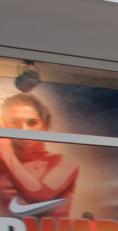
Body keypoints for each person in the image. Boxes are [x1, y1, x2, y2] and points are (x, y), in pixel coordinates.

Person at [0, 92, 79, 221]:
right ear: (4, 125)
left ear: (43, 124)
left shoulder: (63, 161)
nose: (24, 130)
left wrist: (5, 149)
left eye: (32, 123)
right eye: (14, 122)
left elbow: (39, 196)